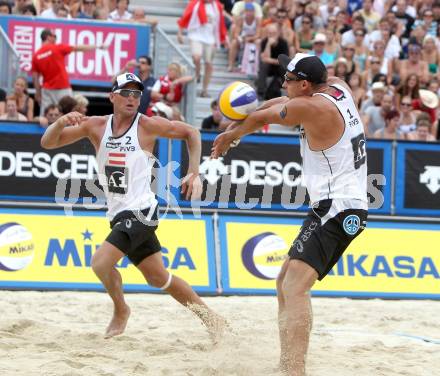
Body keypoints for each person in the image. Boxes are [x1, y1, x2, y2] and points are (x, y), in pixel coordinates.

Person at [211, 53, 368, 375]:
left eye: (289, 79)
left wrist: (232, 133)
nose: (283, 83)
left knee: (295, 286)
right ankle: (288, 364)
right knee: (285, 281)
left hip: (339, 206)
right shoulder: (337, 88)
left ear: (306, 84)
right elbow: (281, 101)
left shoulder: (311, 107)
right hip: (333, 205)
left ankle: (295, 370)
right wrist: (245, 117)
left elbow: (266, 116)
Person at [41, 73, 224, 339]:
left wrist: (194, 171)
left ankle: (121, 310)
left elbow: (191, 132)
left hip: (142, 210)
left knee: (101, 263)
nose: (131, 98)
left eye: (137, 94)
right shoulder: (96, 126)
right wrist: (59, 123)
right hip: (118, 212)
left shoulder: (147, 125)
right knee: (159, 278)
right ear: (112, 97)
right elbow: (48, 142)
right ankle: (212, 320)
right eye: (125, 93)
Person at [32, 28, 107, 116]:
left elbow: (35, 77)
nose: (56, 39)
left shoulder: (36, 55)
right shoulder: (57, 48)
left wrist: (38, 93)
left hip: (47, 90)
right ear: (49, 37)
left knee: (46, 116)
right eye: (55, 36)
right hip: (62, 87)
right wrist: (98, 46)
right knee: (68, 115)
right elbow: (79, 48)